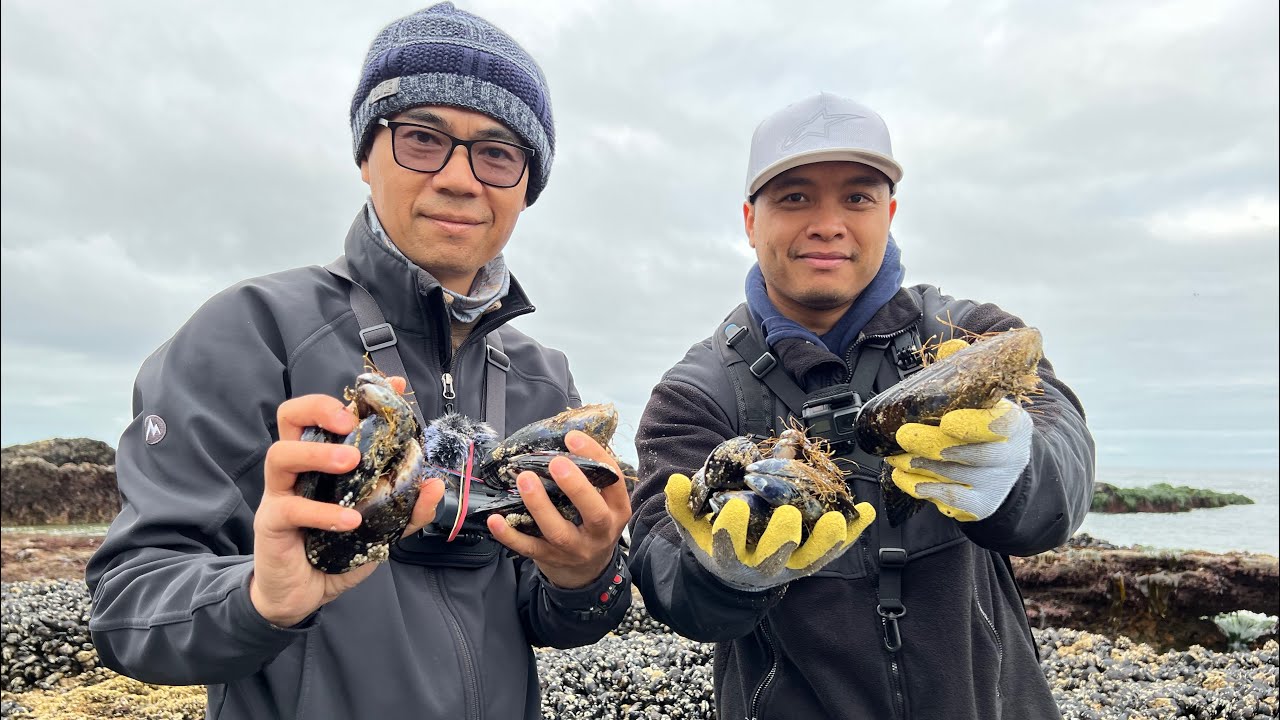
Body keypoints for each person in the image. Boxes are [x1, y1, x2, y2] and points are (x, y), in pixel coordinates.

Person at [85, 4, 633, 718]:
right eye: (422, 139)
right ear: (365, 155)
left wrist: (586, 574)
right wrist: (260, 598)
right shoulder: (250, 331)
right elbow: (126, 604)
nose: (460, 178)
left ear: (529, 184)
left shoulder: (542, 377)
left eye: (498, 152)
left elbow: (550, 615)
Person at [627, 92, 1094, 719]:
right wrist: (721, 576)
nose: (828, 224)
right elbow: (666, 575)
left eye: (857, 198)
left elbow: (1064, 468)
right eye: (795, 197)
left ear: (890, 213)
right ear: (749, 221)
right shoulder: (693, 395)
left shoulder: (972, 336)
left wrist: (1020, 471)